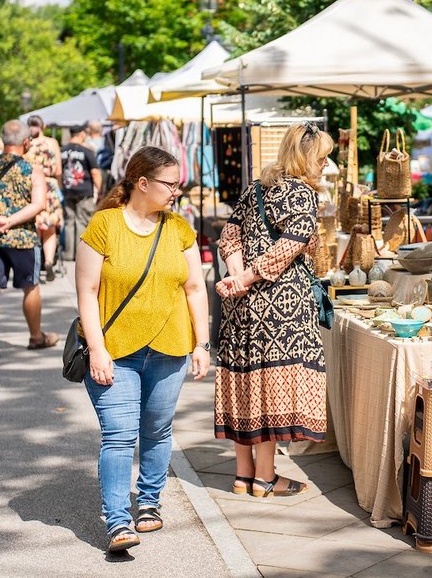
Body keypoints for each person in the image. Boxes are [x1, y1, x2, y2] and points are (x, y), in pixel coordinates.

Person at [75, 146, 209, 553]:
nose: (177, 191)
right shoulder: (104, 225)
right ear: (143, 183)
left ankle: (149, 501)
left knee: (156, 429)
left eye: (178, 184)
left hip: (170, 348)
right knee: (119, 435)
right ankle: (117, 522)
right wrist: (97, 349)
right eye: (170, 184)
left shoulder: (179, 228)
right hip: (115, 350)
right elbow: (87, 292)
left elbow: (194, 287)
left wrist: (202, 343)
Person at [214, 121, 331, 499]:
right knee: (269, 389)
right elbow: (286, 251)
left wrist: (235, 277)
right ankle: (266, 478)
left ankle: (243, 474)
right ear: (307, 158)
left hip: (241, 305)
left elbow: (228, 236)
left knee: (245, 381)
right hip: (280, 305)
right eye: (324, 158)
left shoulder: (257, 188)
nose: (326, 166)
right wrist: (246, 278)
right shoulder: (302, 194)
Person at [0, 120, 57, 361]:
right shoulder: (31, 168)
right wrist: (10, 221)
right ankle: (36, 336)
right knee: (30, 286)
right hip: (23, 238)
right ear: (26, 142)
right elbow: (39, 204)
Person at [24, 115, 63, 282]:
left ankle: (36, 265)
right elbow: (59, 170)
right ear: (43, 126)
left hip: (33, 186)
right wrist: (58, 187)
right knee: (50, 227)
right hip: (50, 186)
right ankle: (48, 261)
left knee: (35, 226)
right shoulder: (52, 143)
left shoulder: (27, 144)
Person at [61, 125, 101, 264]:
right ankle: (80, 254)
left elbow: (59, 172)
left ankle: (68, 253)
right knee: (82, 222)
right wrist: (99, 189)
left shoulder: (63, 151)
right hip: (84, 191)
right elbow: (95, 172)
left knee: (69, 222)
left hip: (68, 190)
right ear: (82, 134)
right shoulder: (86, 151)